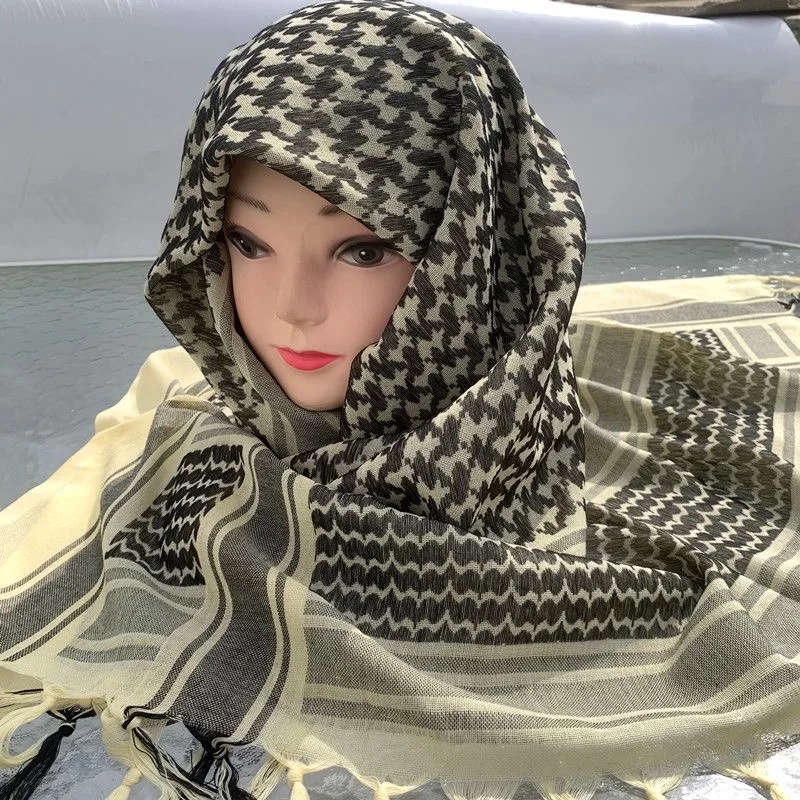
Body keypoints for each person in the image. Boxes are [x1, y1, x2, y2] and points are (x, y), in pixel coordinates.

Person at [0, 1, 798, 799]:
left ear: (472, 255)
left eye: (362, 248)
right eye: (248, 242)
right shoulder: (191, 479)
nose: (291, 308)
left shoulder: (523, 442)